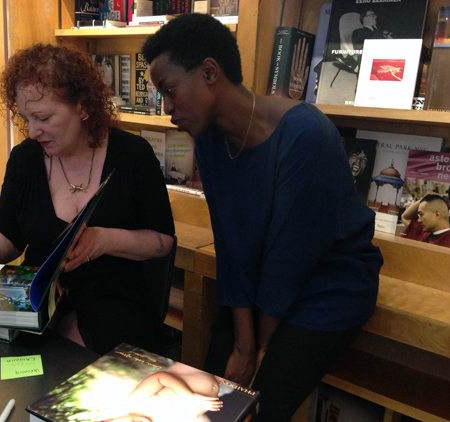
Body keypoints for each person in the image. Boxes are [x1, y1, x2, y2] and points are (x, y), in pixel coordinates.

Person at [142, 14, 383, 421]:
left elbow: (291, 258)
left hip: (326, 287)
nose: (167, 109)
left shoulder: (306, 135)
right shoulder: (211, 141)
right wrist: (242, 344)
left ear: (209, 72)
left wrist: (257, 351)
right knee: (206, 391)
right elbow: (231, 243)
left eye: (169, 90)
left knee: (253, 408)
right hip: (260, 283)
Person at [0, 44, 175, 355]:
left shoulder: (133, 155)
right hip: (40, 310)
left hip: (118, 309)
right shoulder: (25, 160)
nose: (33, 131)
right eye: (26, 118)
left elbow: (162, 241)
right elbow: (8, 238)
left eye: (43, 117)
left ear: (83, 106)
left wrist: (104, 240)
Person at [104, 362, 223, 422]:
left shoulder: (135, 402)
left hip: (196, 368)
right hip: (219, 383)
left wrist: (188, 395)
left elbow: (160, 377)